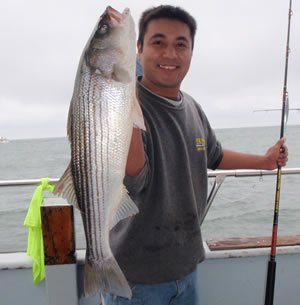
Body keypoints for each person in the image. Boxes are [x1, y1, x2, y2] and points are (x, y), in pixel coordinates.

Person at [104, 5, 288, 305]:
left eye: (181, 45)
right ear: (137, 50)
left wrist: (264, 162)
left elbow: (212, 154)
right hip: (137, 280)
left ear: (191, 52)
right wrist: (125, 97)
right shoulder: (124, 106)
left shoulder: (191, 106)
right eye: (158, 42)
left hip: (186, 268)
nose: (170, 54)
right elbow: (132, 180)